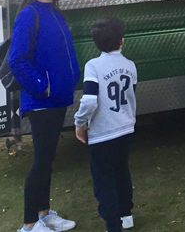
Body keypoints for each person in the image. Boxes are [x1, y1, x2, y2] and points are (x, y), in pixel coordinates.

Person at [10, 0, 81, 232]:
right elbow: (18, 60)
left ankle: (44, 213)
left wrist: (70, 79)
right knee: (41, 161)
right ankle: (29, 225)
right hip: (41, 102)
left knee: (48, 159)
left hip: (58, 99)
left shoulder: (54, 10)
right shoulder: (29, 14)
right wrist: (43, 86)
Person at [74, 17, 137, 232]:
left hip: (103, 133)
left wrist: (79, 121)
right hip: (126, 128)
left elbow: (90, 100)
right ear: (122, 41)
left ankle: (113, 225)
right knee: (122, 172)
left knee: (104, 179)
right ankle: (126, 214)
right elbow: (130, 96)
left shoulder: (93, 66)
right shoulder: (130, 66)